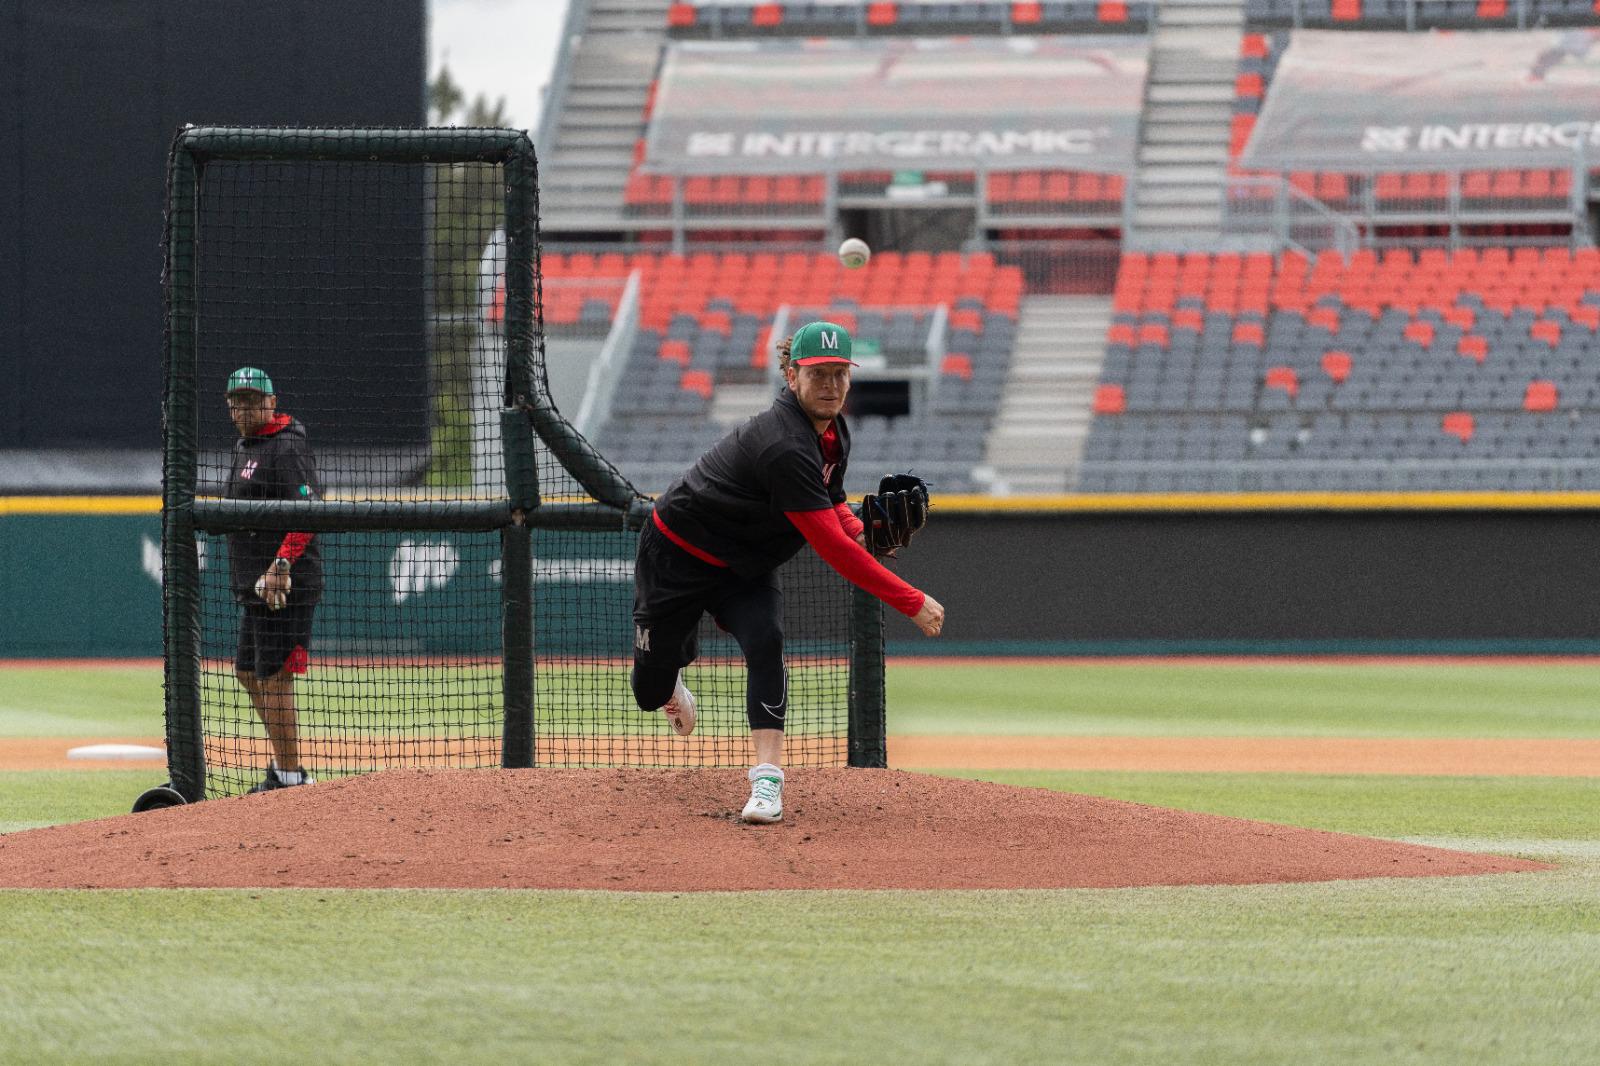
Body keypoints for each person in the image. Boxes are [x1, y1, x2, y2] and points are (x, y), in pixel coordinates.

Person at [630, 321, 944, 824]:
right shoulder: (784, 445)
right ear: (792, 375)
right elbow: (833, 549)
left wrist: (861, 530)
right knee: (648, 692)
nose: (831, 385)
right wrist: (911, 600)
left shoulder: (834, 432)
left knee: (767, 640)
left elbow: (833, 503)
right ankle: (670, 682)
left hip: (745, 563)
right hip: (677, 554)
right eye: (818, 374)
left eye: (839, 373)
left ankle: (767, 781)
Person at [223, 367, 325, 793]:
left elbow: (309, 511)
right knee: (248, 673)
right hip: (256, 588)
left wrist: (281, 565)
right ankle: (288, 764)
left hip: (285, 587)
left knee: (274, 677)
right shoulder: (247, 445)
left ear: (271, 401)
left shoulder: (287, 445)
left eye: (251, 400)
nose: (242, 409)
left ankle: (290, 776)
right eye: (236, 401)